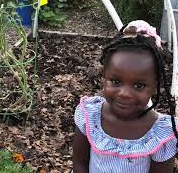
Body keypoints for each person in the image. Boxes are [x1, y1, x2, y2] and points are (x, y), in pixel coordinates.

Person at [72, 20, 178, 173]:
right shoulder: (90, 117)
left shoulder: (160, 136)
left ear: (154, 86)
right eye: (116, 81)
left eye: (139, 86)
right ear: (104, 77)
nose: (125, 94)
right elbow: (80, 164)